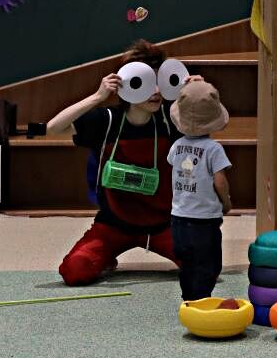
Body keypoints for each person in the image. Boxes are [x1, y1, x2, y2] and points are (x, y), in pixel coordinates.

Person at [47, 40, 198, 285]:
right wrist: (98, 96)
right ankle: (106, 256)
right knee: (74, 271)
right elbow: (53, 128)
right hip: (114, 224)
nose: (155, 91)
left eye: (160, 82)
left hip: (164, 223)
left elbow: (212, 125)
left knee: (203, 265)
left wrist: (197, 93)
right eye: (145, 82)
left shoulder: (172, 118)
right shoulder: (107, 120)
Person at [167, 80, 233, 300]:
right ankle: (202, 303)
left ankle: (189, 300)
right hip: (204, 220)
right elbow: (220, 181)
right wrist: (226, 202)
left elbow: (173, 165)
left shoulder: (176, 145)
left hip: (178, 217)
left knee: (188, 263)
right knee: (210, 264)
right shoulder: (214, 149)